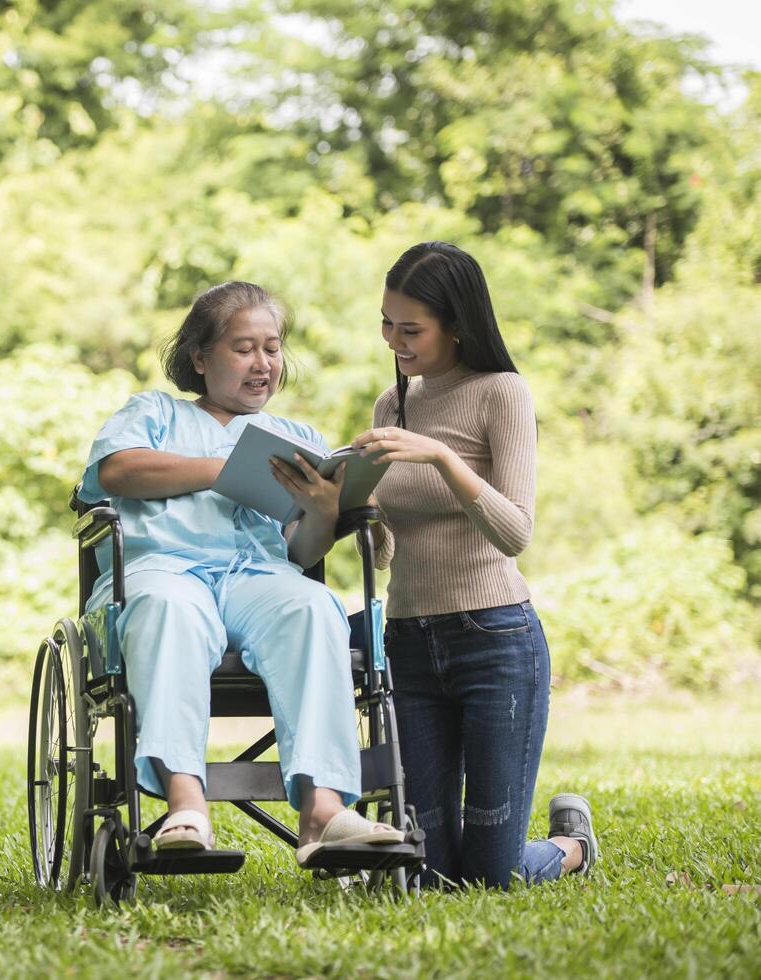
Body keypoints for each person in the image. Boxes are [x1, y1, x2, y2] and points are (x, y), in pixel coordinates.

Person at [80, 280, 402, 866]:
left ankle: (322, 811)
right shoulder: (154, 412)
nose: (263, 364)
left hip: (255, 578)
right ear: (200, 359)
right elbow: (119, 471)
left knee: (311, 605)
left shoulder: (298, 438)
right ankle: (185, 805)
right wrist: (220, 468)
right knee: (169, 608)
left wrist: (325, 511)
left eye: (273, 348)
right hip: (163, 570)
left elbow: (300, 553)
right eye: (244, 348)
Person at [350, 241, 599, 889]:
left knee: (492, 875)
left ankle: (570, 846)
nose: (393, 342)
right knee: (431, 876)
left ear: (456, 325)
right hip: (406, 642)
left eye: (410, 329)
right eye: (385, 324)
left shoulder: (501, 394)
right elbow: (380, 554)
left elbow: (514, 530)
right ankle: (524, 848)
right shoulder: (390, 405)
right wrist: (353, 505)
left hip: (494, 641)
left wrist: (438, 458)